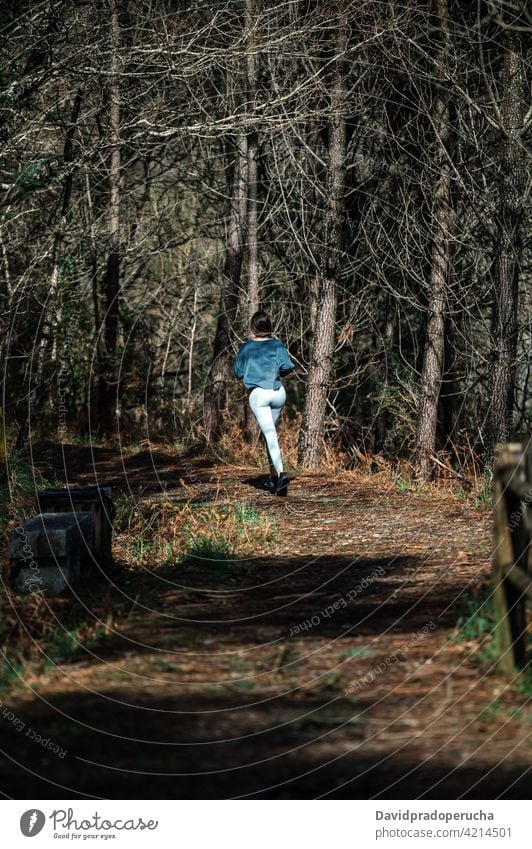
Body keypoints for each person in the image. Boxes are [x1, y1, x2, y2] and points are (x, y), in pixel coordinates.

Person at [233, 310, 295, 496]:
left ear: (253, 327)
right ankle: (274, 477)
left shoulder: (246, 347)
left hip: (258, 395)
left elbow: (238, 372)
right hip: (278, 393)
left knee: (270, 434)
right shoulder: (277, 345)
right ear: (269, 326)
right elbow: (287, 367)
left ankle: (282, 474)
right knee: (271, 435)